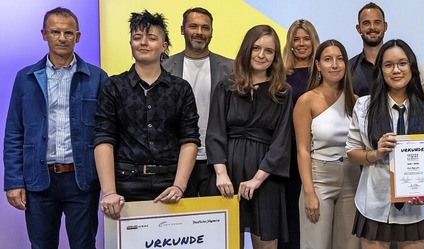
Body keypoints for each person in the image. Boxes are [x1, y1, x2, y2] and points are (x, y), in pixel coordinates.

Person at [3, 7, 107, 248]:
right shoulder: (25, 78)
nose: (62, 38)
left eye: (68, 32)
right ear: (44, 34)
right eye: (55, 31)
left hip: (82, 180)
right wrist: (13, 181)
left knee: (84, 245)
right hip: (39, 180)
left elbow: (107, 132)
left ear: (78, 37)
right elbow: (14, 133)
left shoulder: (97, 77)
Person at [94, 10, 200, 220]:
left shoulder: (181, 88)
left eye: (151, 38)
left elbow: (189, 139)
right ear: (131, 43)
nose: (143, 43)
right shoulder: (114, 86)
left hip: (171, 184)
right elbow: (104, 138)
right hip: (125, 186)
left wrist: (179, 185)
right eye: (137, 37)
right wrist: (109, 192)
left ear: (164, 46)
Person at [346, 39, 424, 249]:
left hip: (416, 208)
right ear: (380, 70)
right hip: (374, 201)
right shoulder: (364, 106)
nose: (396, 70)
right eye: (388, 65)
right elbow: (351, 152)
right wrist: (375, 153)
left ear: (412, 67)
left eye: (402, 63)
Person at [206, 24, 292, 249]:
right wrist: (221, 174)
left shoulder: (283, 91)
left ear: (275, 57)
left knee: (265, 243)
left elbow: (281, 142)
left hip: (265, 178)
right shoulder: (226, 86)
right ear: (247, 49)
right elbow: (215, 132)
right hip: (227, 176)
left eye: (269, 51)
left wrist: (257, 180)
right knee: (228, 242)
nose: (261, 55)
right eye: (256, 48)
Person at [294, 39, 360, 249]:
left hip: (352, 179)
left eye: (340, 59)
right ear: (318, 65)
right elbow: (302, 150)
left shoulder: (356, 101)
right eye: (328, 59)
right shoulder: (307, 101)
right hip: (319, 179)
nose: (334, 64)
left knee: (349, 244)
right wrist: (309, 192)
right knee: (316, 244)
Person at [163, 7, 233, 197]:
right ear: (182, 29)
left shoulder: (231, 69)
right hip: (177, 160)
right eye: (193, 26)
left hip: (218, 160)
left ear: (211, 32)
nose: (200, 33)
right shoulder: (164, 67)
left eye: (205, 27)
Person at [280, 18, 320, 249]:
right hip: (290, 153)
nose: (302, 43)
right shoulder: (281, 73)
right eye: (296, 39)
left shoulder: (324, 72)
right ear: (290, 43)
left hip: (319, 152)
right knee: (291, 211)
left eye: (306, 38)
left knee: (316, 211)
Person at [350, 2, 387, 96]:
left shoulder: (400, 65)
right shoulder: (348, 69)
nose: (372, 27)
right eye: (366, 23)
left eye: (377, 22)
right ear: (358, 28)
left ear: (385, 26)